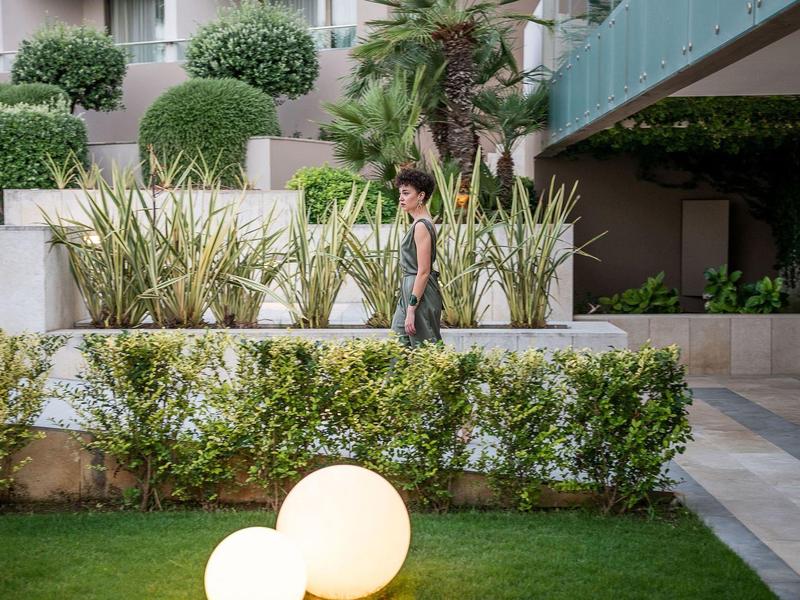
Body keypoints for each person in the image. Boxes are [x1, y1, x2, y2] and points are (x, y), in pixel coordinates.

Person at [391, 168, 443, 348]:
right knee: (398, 347)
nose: (401, 198)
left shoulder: (422, 226)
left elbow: (424, 271)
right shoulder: (418, 223)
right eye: (400, 193)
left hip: (419, 294)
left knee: (425, 350)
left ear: (421, 196)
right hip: (409, 291)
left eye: (406, 193)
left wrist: (412, 308)